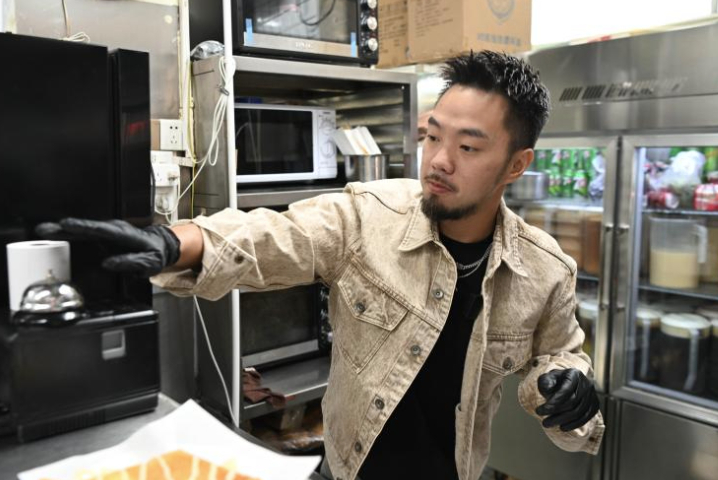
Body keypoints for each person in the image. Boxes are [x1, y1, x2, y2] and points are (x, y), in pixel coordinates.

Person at [38, 51, 604, 480]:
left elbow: (557, 360)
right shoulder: (368, 217)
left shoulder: (545, 270)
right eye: (433, 136)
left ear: (517, 164)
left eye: (469, 147)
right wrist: (170, 243)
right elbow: (272, 234)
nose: (438, 160)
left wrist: (567, 387)